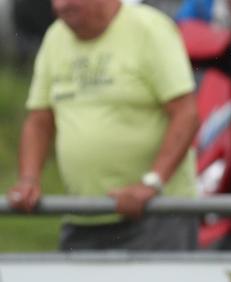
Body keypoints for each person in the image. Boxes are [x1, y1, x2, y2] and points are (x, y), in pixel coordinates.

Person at [6, 0, 199, 251]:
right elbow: (39, 121)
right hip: (82, 215)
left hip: (156, 216)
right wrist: (28, 180)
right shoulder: (56, 36)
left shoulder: (150, 29)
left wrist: (151, 184)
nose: (59, 6)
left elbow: (186, 113)